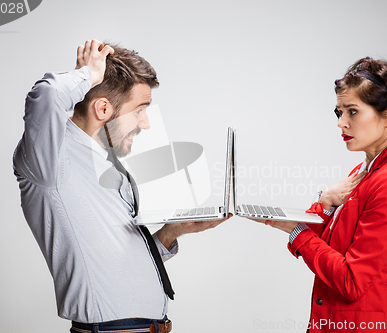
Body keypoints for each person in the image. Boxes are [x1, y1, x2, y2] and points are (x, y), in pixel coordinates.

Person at [13, 39, 229, 333]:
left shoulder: (108, 165)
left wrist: (170, 233)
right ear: (102, 108)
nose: (146, 123)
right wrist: (87, 76)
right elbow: (45, 95)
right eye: (139, 110)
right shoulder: (50, 160)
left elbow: (119, 264)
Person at [253, 57, 387, 332]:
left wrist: (297, 231)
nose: (341, 123)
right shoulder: (366, 171)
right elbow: (332, 250)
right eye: (338, 112)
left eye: (352, 111)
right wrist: (325, 202)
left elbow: (351, 280)